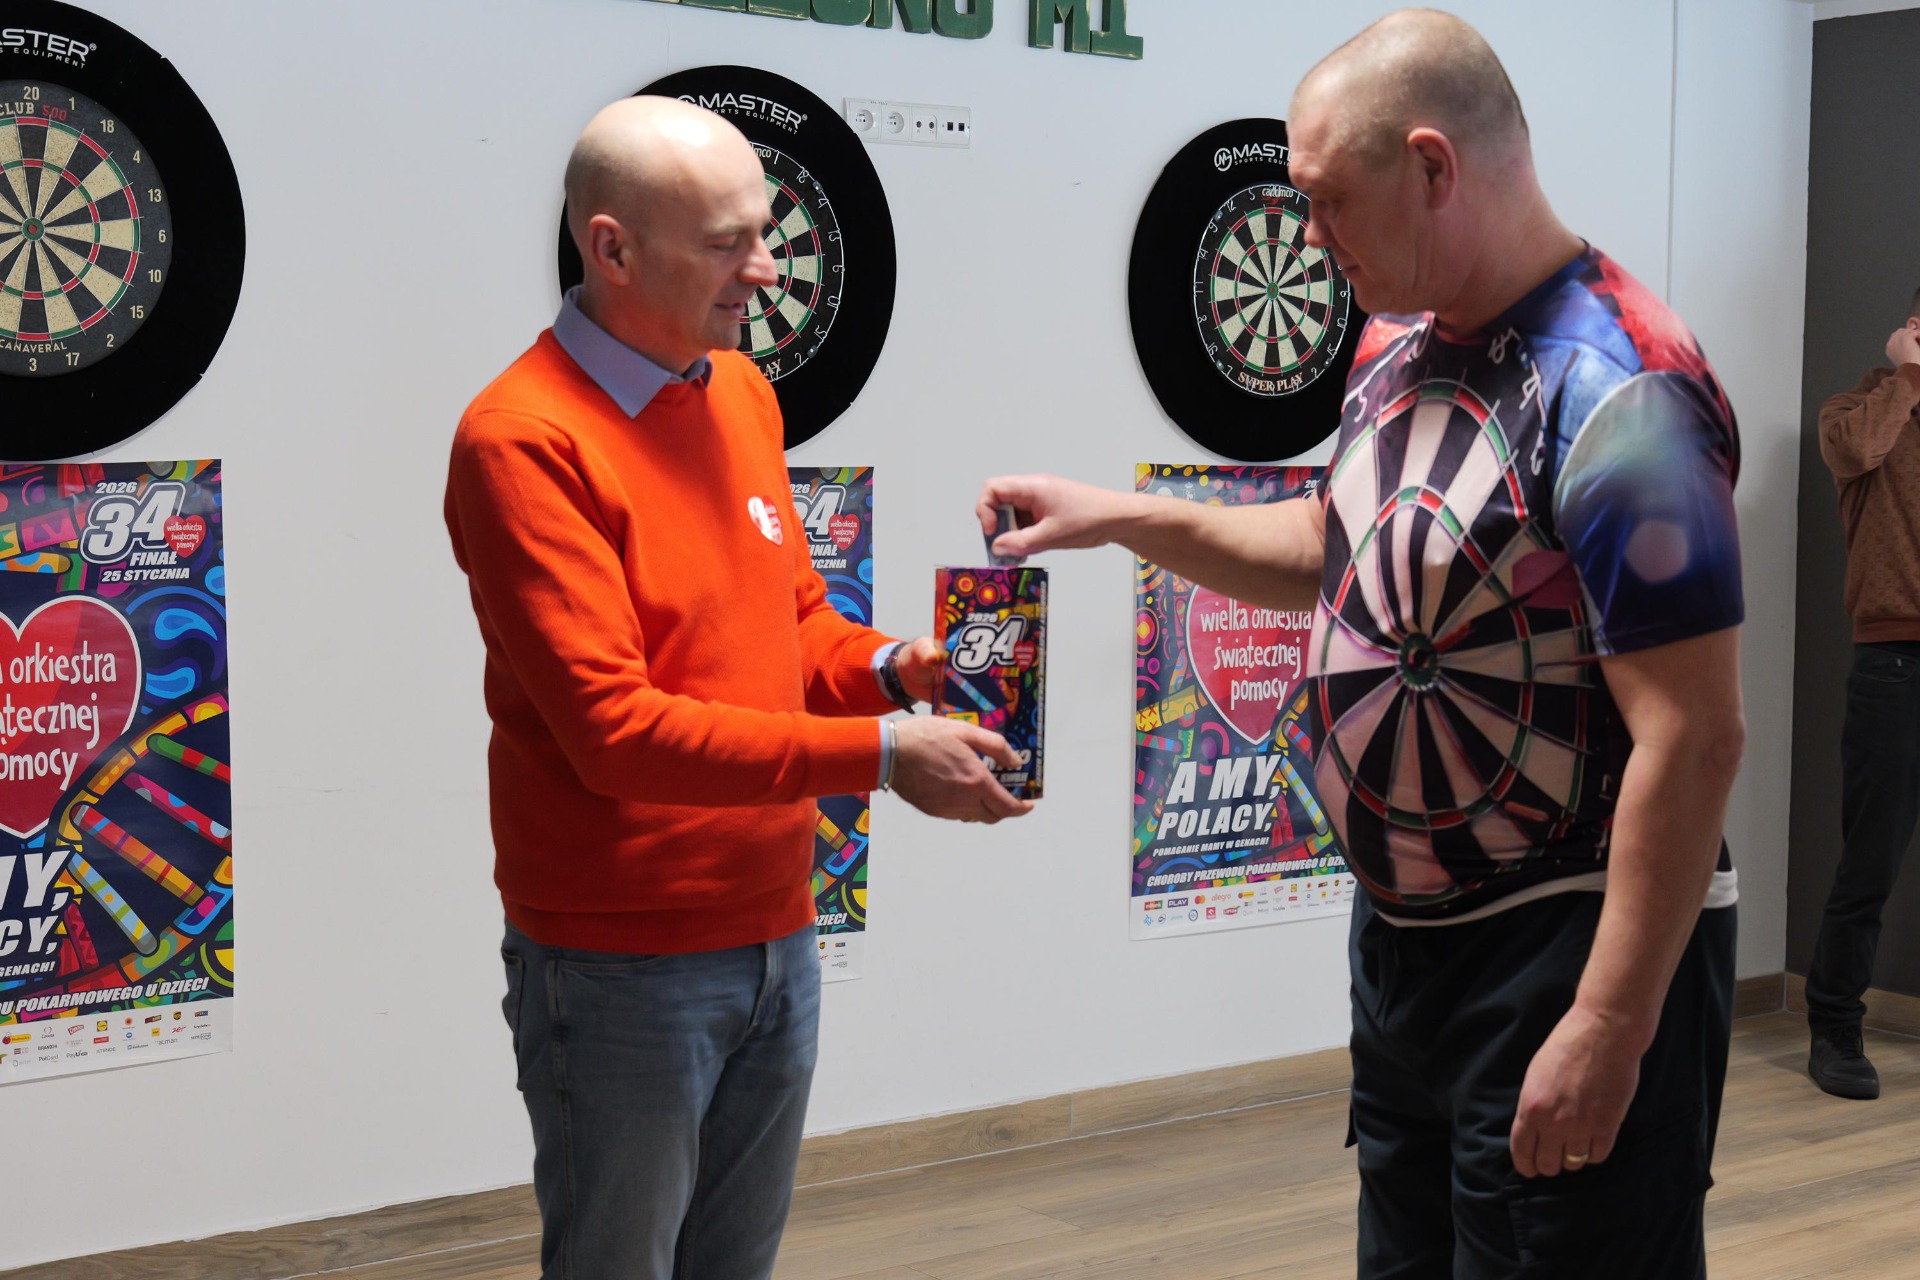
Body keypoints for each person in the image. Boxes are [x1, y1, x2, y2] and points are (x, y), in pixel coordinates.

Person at [978, 10, 1745, 1276]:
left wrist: (1611, 1021)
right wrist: (1120, 517)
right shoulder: (1399, 342)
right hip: (1405, 956)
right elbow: (1351, 545)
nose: (1310, 237)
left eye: (1329, 201)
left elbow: (1696, 735)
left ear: (1433, 167)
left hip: (1560, 948)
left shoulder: (1625, 393)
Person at [444, 97, 1031, 1280]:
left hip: (777, 929)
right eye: (728, 242)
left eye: (765, 231)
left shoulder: (741, 391)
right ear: (612, 249)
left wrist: (894, 671)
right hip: (618, 963)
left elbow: (790, 619)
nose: (766, 267)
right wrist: (883, 756)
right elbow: (616, 733)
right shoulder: (521, 441)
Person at [1806, 296, 1920, 1101]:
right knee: (1870, 862)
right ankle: (1834, 1027)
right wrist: (1907, 378)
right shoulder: (1857, 410)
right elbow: (1855, 452)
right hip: (1895, 665)